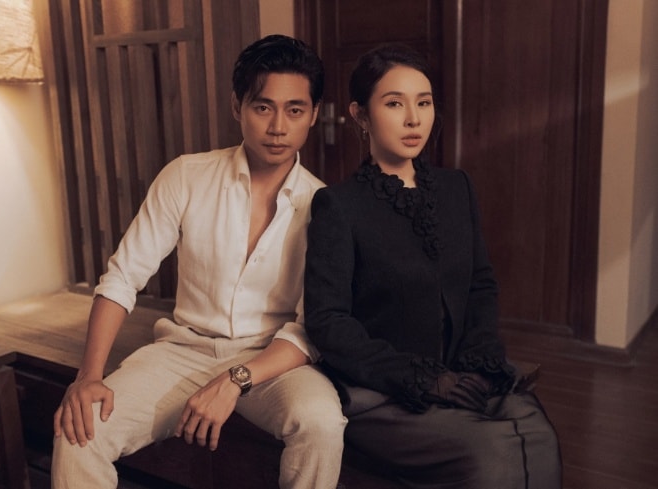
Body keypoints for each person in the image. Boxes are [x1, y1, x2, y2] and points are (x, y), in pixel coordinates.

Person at [51, 34, 347, 489]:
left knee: (322, 423)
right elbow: (123, 277)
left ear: (313, 113)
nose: (278, 127)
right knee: (79, 431)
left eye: (294, 110)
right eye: (263, 107)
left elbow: (312, 326)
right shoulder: (187, 176)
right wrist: (88, 376)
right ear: (237, 107)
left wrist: (235, 379)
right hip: (181, 352)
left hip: (273, 361)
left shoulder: (323, 205)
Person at [304, 44, 562, 488]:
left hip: (464, 375)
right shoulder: (338, 206)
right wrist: (423, 379)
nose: (414, 119)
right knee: (496, 452)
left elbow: (480, 284)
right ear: (360, 115)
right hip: (384, 392)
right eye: (394, 104)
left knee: (537, 436)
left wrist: (477, 363)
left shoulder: (456, 187)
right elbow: (328, 321)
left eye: (423, 103)